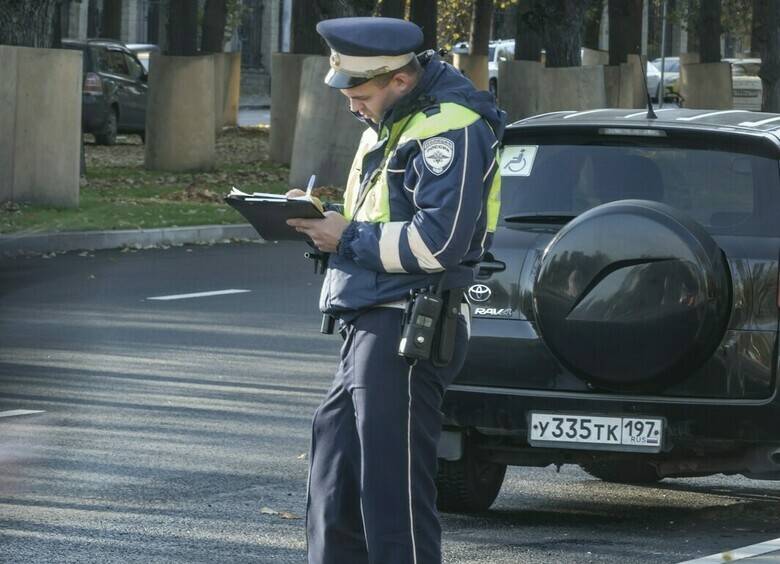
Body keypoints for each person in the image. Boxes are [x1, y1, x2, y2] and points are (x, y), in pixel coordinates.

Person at [286, 16, 505, 564]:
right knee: (334, 485)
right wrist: (324, 225)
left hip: (407, 327)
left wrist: (348, 236)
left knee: (392, 500)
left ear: (400, 81)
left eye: (360, 93)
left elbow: (441, 244)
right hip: (371, 324)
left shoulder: (449, 127)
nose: (351, 105)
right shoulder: (392, 124)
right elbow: (379, 224)